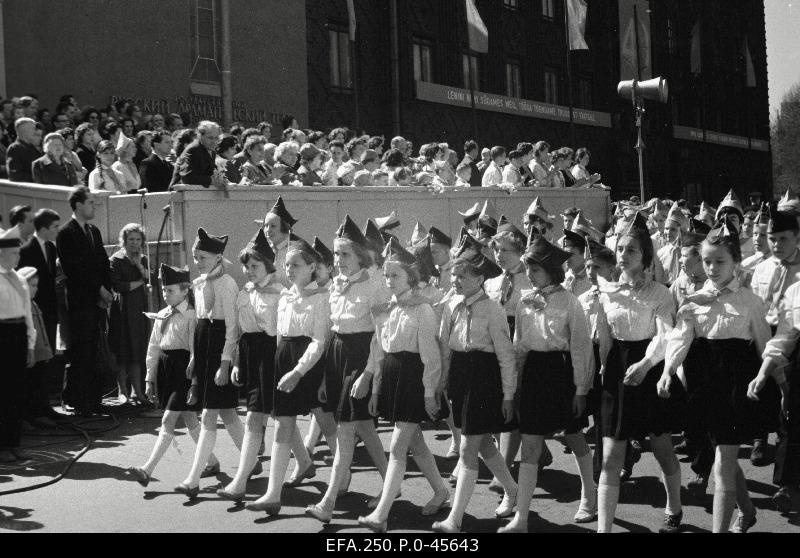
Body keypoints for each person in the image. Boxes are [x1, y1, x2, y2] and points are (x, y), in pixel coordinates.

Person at [662, 218, 774, 532]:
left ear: (736, 262)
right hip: (704, 384)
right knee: (723, 460)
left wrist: (774, 380)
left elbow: (765, 345)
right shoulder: (694, 302)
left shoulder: (750, 302)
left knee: (723, 465)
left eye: (719, 261)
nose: (711, 268)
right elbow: (680, 340)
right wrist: (667, 371)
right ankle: (748, 511)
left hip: (737, 385)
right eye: (706, 261)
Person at [497, 235, 595, 533]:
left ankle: (589, 495)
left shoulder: (571, 302)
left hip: (561, 374)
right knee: (530, 444)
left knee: (574, 436)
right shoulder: (526, 302)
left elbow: (581, 349)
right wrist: (510, 391)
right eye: (528, 269)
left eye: (535, 270)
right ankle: (522, 517)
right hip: (534, 375)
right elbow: (518, 349)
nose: (529, 275)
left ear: (552, 271)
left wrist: (581, 389)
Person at [595, 213, 685, 533]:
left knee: (661, 446)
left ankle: (674, 506)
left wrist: (646, 365)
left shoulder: (660, 293)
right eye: (620, 249)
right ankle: (603, 528)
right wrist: (604, 365)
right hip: (618, 371)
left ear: (645, 255)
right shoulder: (607, 291)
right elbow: (605, 333)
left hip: (649, 365)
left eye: (631, 249)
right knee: (611, 454)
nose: (623, 255)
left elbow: (665, 335)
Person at [357, 238, 449, 533]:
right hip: (393, 378)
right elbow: (379, 350)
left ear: (412, 277)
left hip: (414, 379)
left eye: (394, 275)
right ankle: (441, 491)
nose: (388, 280)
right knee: (414, 442)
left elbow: (431, 358)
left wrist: (429, 393)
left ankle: (381, 514)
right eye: (385, 275)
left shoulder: (422, 310)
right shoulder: (386, 308)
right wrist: (374, 388)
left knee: (397, 446)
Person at [305, 216, 392, 524]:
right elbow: (330, 329)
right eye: (336, 254)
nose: (338, 261)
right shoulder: (336, 285)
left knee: (345, 431)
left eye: (345, 255)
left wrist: (369, 374)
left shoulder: (375, 285)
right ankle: (390, 483)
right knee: (364, 428)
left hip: (362, 357)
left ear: (360, 256)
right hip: (338, 356)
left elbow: (381, 335)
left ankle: (327, 502)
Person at [432, 236, 519, 533]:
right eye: (453, 274)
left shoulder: (493, 310)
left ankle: (454, 519)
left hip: (483, 377)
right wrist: (440, 383)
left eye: (462, 275)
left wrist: (508, 395)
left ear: (480, 279)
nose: (455, 280)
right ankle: (513, 490)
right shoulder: (451, 304)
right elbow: (444, 346)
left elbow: (506, 355)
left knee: (469, 448)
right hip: (459, 373)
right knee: (481, 442)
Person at [245, 235, 329, 515]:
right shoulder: (284, 296)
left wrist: (297, 371)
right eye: (287, 265)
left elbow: (319, 341)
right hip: (284, 361)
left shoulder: (321, 298)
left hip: (309, 365)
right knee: (283, 422)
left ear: (312, 267)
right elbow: (281, 335)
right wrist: (280, 368)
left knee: (327, 421)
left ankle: (341, 476)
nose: (289, 270)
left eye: (296, 265)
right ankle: (273, 493)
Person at [127, 264, 220, 488]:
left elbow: (194, 349)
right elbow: (154, 347)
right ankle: (213, 462)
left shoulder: (191, 315)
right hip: (166, 369)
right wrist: (150, 377)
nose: (165, 294)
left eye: (170, 290)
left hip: (184, 370)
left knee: (168, 419)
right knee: (189, 419)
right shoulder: (162, 315)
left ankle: (147, 469)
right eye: (164, 290)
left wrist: (194, 381)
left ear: (185, 290)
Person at [174, 228, 245, 499]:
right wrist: (194, 357)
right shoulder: (198, 283)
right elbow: (198, 324)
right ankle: (251, 462)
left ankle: (192, 479)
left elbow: (231, 329)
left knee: (208, 415)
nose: (197, 262)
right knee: (227, 412)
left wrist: (225, 364)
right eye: (195, 256)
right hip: (203, 349)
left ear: (218, 258)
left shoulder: (228, 285)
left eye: (202, 257)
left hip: (219, 351)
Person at [216, 230, 281, 502]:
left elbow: (280, 334)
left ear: (268, 265)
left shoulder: (280, 293)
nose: (249, 270)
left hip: (273, 354)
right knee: (263, 414)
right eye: (246, 265)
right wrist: (236, 363)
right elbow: (240, 333)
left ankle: (240, 481)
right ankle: (303, 462)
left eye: (255, 266)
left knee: (269, 415)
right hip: (251, 354)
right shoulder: (244, 293)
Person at [748, 209, 800, 466]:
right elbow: (756, 304)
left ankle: (784, 438)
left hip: (794, 335)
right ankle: (759, 438)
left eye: (783, 239)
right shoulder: (763, 268)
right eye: (772, 238)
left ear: (796, 237)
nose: (776, 245)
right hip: (765, 331)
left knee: (788, 393)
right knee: (761, 386)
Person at [57, 187, 113, 416]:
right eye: (90, 202)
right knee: (81, 350)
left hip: (97, 301)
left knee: (96, 350)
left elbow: (101, 261)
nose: (93, 206)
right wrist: (98, 289)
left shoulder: (94, 231)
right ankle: (78, 400)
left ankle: (94, 398)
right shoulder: (66, 233)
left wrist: (106, 290)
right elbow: (75, 268)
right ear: (78, 204)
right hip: (81, 302)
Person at [578, 240, 617, 483]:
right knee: (587, 413)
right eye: (589, 267)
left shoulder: (618, 296)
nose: (591, 273)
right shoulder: (583, 298)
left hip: (611, 357)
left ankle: (600, 471)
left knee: (605, 419)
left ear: (612, 269)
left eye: (598, 268)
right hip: (589, 356)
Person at [0, 228, 36, 463]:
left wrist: (31, 344)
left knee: (16, 391)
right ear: (2, 254)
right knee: (3, 392)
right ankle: (2, 446)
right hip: (1, 332)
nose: (17, 257)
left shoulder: (20, 279)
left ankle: (14, 442)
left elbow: (27, 314)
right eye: (13, 253)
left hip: (17, 333)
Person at [108, 223, 151, 405]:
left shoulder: (143, 259)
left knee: (138, 350)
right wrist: (140, 282)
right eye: (131, 239)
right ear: (124, 241)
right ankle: (122, 391)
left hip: (139, 310)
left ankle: (138, 391)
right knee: (123, 350)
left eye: (138, 239)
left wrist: (139, 267)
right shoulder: (116, 260)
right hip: (122, 309)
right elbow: (118, 286)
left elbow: (151, 278)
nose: (135, 243)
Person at [18, 209, 60, 353]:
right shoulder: (25, 251)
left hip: (51, 312)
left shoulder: (51, 248)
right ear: (43, 229)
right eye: (55, 227)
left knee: (50, 353)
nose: (58, 230)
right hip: (34, 312)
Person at [257, 196, 297, 288]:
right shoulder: (262, 251)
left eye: (273, 226)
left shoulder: (295, 251)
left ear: (285, 227)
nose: (267, 230)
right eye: (266, 226)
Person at [173, 121, 222, 189]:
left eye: (216, 138)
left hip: (198, 195)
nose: (214, 142)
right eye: (210, 138)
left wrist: (221, 179)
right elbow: (187, 178)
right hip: (179, 196)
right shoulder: (194, 150)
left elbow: (209, 174)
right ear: (200, 136)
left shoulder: (210, 151)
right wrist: (211, 180)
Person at [657, 203, 690, 287]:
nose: (668, 232)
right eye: (666, 229)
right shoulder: (661, 253)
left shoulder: (687, 252)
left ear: (681, 230)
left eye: (673, 229)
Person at [7, 117, 41, 182]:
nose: (34, 132)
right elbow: (15, 175)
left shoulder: (32, 147)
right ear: (23, 130)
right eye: (33, 129)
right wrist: (38, 177)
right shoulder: (14, 149)